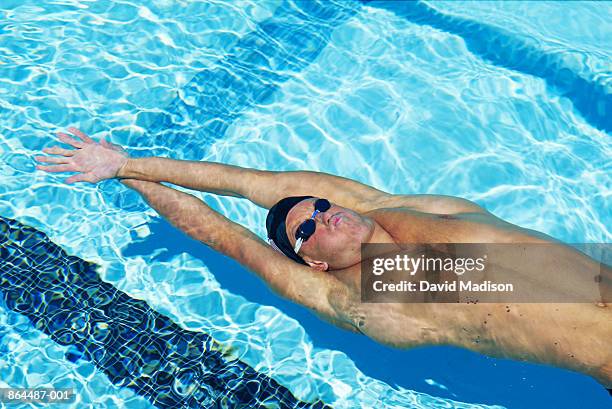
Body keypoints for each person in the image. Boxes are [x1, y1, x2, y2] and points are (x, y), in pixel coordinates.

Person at [35, 127, 611, 392]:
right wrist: (126, 173)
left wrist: (137, 159)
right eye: (307, 229)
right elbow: (225, 235)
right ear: (312, 263)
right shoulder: (350, 297)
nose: (323, 214)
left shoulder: (396, 210)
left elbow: (249, 183)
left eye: (319, 206)